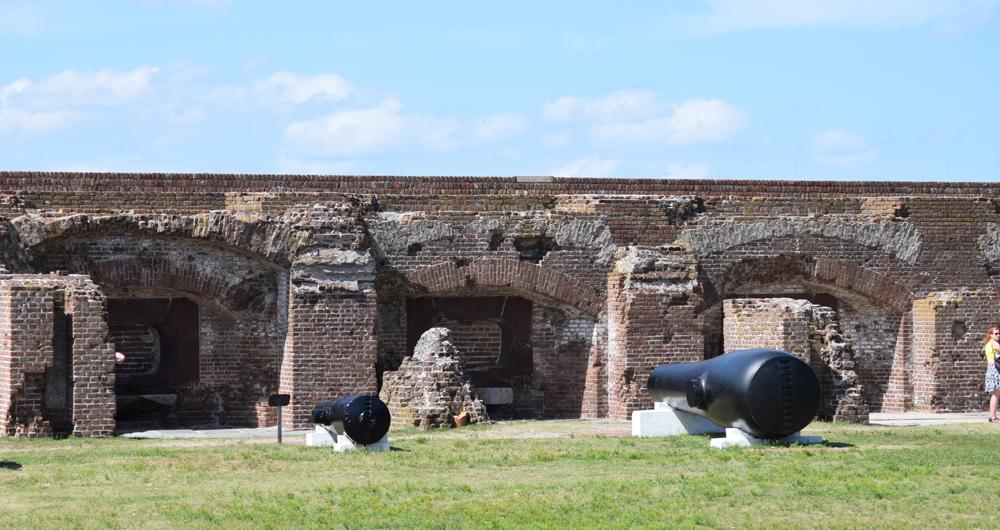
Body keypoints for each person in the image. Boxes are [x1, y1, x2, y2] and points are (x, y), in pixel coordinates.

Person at [984, 326, 1000, 422]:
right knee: (996, 394)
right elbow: (998, 358)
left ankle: (993, 416)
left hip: (991, 368)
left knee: (995, 394)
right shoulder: (995, 344)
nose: (998, 335)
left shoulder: (988, 344)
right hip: (996, 369)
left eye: (999, 333)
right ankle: (993, 417)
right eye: (996, 333)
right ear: (991, 335)